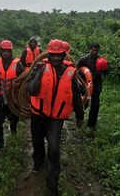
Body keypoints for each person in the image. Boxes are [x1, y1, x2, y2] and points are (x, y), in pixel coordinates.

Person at [27, 39, 84, 196]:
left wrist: (80, 115)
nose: (56, 58)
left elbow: (76, 96)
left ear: (64, 54)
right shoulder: (39, 67)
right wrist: (37, 74)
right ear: (49, 54)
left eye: (59, 55)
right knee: (37, 142)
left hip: (55, 119)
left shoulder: (70, 72)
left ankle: (52, 186)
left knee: (53, 149)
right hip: (38, 115)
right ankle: (38, 162)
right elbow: (31, 90)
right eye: (53, 55)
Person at [76, 42, 108, 135]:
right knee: (82, 103)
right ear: (90, 49)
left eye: (96, 50)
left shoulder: (101, 60)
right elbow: (77, 71)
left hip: (97, 84)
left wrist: (103, 69)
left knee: (95, 104)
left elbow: (106, 72)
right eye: (93, 50)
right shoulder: (83, 59)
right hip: (85, 85)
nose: (95, 52)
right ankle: (79, 119)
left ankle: (91, 124)